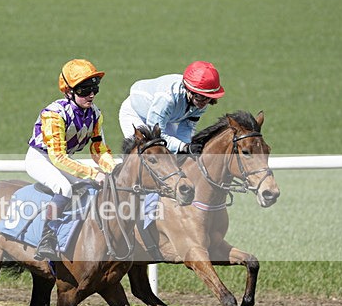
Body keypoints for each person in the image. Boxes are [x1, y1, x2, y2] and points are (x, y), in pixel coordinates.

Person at [25, 59, 117, 260]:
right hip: (41, 159)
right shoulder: (54, 114)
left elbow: (99, 149)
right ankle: (47, 238)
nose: (91, 94)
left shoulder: (95, 114)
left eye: (94, 88)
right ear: (69, 91)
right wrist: (93, 173)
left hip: (64, 159)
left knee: (95, 188)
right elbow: (57, 156)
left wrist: (113, 168)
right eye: (84, 89)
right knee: (64, 189)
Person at [118, 61, 225, 154]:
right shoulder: (167, 99)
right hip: (135, 114)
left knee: (175, 153)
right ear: (188, 90)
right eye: (200, 96)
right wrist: (182, 146)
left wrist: (186, 148)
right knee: (151, 149)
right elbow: (155, 135)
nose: (204, 102)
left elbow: (186, 129)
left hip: (166, 119)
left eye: (208, 98)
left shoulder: (201, 102)